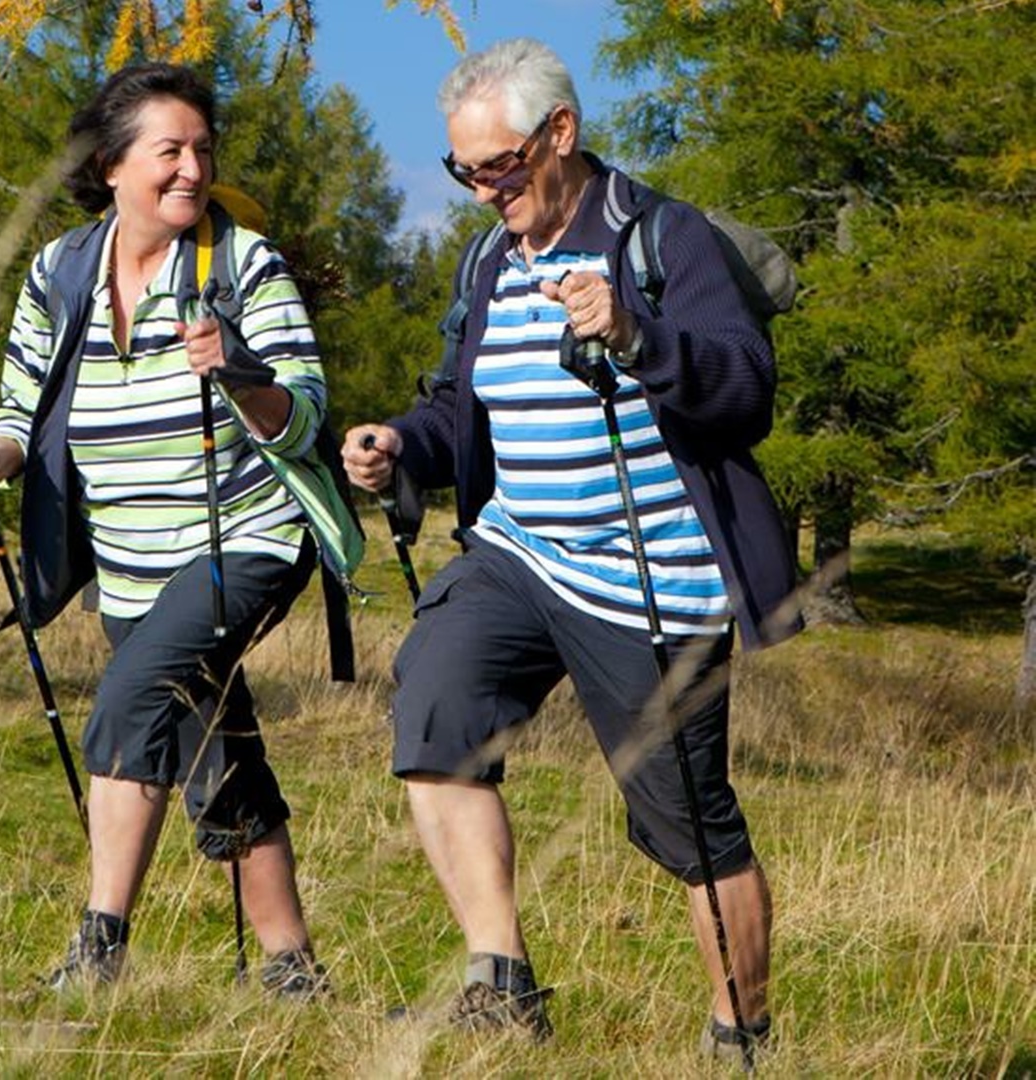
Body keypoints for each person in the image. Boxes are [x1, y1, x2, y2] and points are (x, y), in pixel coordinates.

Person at [341, 38, 798, 1061]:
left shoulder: (660, 238)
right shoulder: (491, 260)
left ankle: (743, 1035)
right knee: (435, 706)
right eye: (462, 171)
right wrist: (399, 443)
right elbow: (462, 405)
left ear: (561, 134)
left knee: (686, 820)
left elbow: (745, 389)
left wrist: (638, 338)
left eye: (497, 166)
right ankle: (500, 985)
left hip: (650, 577)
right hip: (518, 554)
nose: (478, 190)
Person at [0, 62, 349, 998]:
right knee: (218, 747)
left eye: (202, 151)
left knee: (134, 697)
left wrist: (239, 374)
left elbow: (305, 414)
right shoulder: (61, 268)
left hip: (247, 541)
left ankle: (100, 950)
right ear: (114, 165)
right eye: (170, 150)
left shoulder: (243, 264)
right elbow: (22, 408)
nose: (192, 169)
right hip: (127, 566)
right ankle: (292, 969)